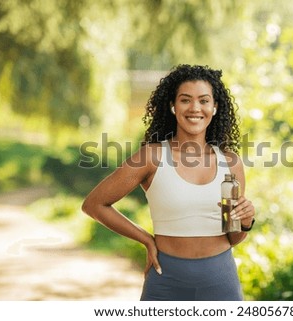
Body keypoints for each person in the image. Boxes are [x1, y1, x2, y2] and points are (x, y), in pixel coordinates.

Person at [81, 64, 255, 301]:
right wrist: (145, 239)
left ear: (215, 107)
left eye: (204, 101)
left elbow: (232, 236)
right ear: (173, 106)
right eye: (185, 100)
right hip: (166, 279)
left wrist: (245, 223)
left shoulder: (231, 163)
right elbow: (94, 204)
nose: (195, 108)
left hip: (220, 281)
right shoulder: (151, 157)